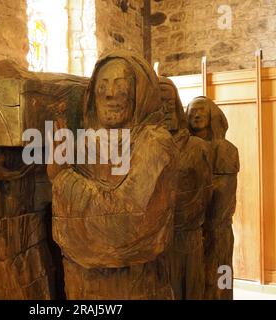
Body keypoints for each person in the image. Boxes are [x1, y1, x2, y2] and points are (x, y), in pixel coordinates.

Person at [48, 50, 179, 299]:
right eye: (103, 86)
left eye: (121, 86)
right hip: (83, 284)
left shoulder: (154, 143)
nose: (110, 94)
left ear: (139, 93)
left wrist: (63, 178)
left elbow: (127, 222)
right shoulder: (90, 143)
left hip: (133, 286)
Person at [159, 78, 212, 300]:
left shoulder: (198, 148)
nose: (165, 107)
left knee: (191, 287)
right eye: (158, 102)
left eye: (169, 101)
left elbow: (206, 193)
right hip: (157, 239)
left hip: (188, 234)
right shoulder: (141, 148)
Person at [187, 96, 240, 300]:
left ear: (212, 115)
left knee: (220, 278)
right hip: (192, 233)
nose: (197, 115)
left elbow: (222, 194)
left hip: (217, 232)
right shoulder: (185, 149)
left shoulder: (226, 149)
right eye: (192, 111)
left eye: (201, 110)